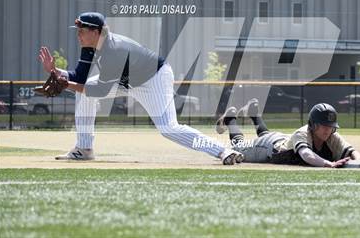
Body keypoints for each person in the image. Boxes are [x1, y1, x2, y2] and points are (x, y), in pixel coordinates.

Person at [38, 12, 244, 165]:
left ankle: (222, 151)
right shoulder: (90, 47)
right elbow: (79, 77)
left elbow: (99, 91)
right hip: (125, 79)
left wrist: (67, 84)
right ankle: (84, 148)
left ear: (96, 32)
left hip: (153, 78)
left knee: (168, 128)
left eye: (82, 31)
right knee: (83, 92)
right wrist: (56, 71)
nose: (79, 35)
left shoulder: (114, 51)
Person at [216, 99, 360, 167]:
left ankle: (254, 114)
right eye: (323, 125)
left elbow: (352, 151)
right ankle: (230, 120)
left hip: (283, 140)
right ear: (313, 125)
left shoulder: (332, 135)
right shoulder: (303, 133)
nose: (327, 129)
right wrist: (328, 164)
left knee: (265, 135)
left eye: (330, 126)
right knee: (238, 148)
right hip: (269, 147)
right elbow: (306, 155)